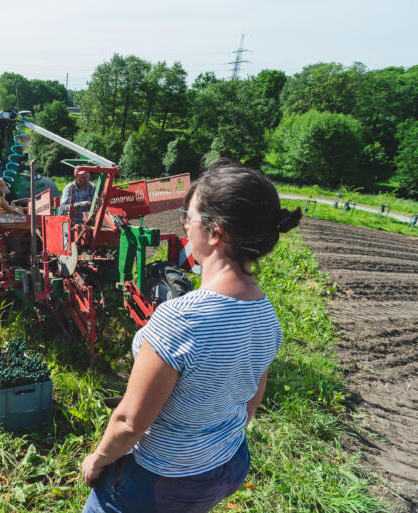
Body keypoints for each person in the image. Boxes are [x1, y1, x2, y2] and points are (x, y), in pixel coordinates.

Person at [80, 164, 302, 513]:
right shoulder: (265, 312)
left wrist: (98, 459)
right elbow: (251, 400)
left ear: (216, 231)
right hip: (228, 462)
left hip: (160, 479)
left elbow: (131, 422)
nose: (184, 224)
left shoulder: (182, 318)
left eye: (189, 216)